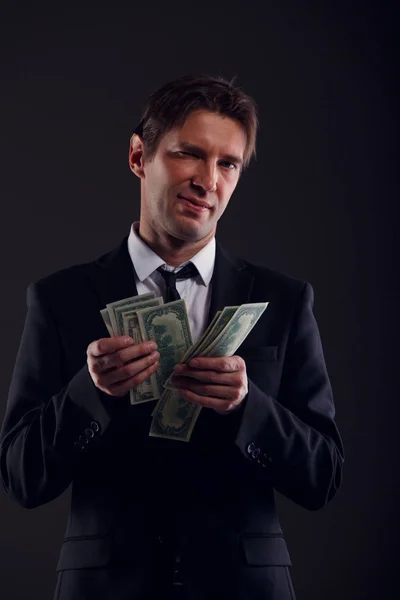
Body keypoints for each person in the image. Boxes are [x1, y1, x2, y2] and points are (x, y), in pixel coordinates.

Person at [0, 74, 344, 600]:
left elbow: (322, 479)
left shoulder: (287, 299)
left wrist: (249, 408)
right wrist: (90, 394)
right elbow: (21, 479)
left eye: (227, 163)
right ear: (140, 156)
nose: (209, 180)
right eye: (189, 154)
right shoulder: (59, 298)